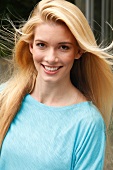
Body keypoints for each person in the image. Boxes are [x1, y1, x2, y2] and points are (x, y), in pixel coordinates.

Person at [0, 0, 113, 169]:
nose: (51, 58)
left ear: (78, 51)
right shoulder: (5, 97)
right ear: (31, 46)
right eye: (42, 45)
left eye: (63, 47)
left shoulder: (87, 122)